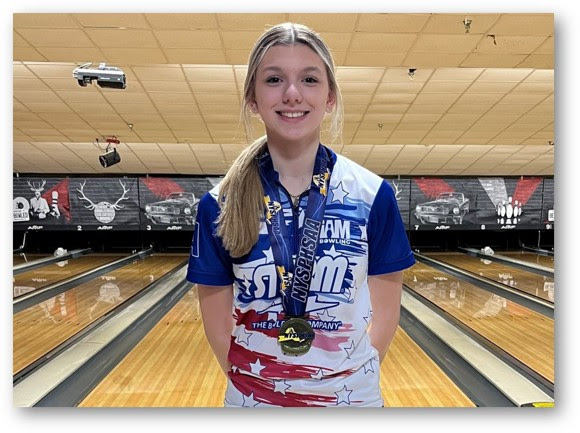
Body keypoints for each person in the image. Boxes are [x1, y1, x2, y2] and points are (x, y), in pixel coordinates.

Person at [186, 22, 415, 407]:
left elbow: (386, 316)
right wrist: (264, 390)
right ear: (253, 99)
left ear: (330, 98)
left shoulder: (373, 195)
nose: (292, 94)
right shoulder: (218, 204)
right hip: (253, 401)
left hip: (350, 403)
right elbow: (217, 326)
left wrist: (345, 381)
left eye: (309, 79)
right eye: (274, 79)